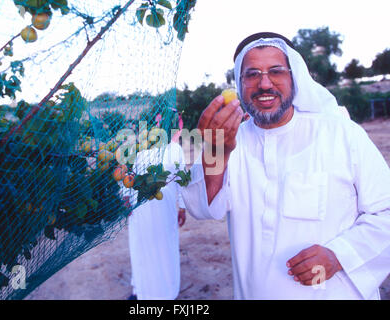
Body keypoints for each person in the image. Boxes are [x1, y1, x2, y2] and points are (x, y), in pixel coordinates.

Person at [181, 32, 390, 299]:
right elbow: (201, 208)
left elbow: (386, 212)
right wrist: (216, 153)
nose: (264, 83)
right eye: (252, 74)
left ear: (295, 77)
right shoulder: (232, 140)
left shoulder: (342, 134)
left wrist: (339, 256)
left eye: (276, 71)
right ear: (240, 83)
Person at [127, 120, 187, 300]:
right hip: (161, 209)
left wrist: (127, 202)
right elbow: (182, 180)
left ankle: (142, 291)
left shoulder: (137, 147)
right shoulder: (175, 150)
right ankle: (164, 293)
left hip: (140, 209)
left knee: (142, 248)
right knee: (163, 249)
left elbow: (126, 178)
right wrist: (182, 208)